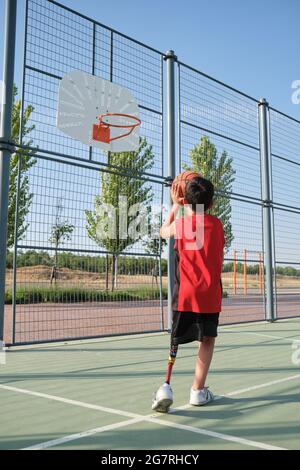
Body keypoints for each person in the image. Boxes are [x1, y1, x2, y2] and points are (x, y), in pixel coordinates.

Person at [152, 176, 225, 412]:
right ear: (211, 204)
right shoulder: (218, 225)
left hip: (185, 293)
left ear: (185, 200)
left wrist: (175, 206)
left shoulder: (182, 225)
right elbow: (203, 224)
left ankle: (167, 383)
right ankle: (197, 390)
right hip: (210, 294)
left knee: (176, 337)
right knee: (207, 339)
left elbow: (163, 231)